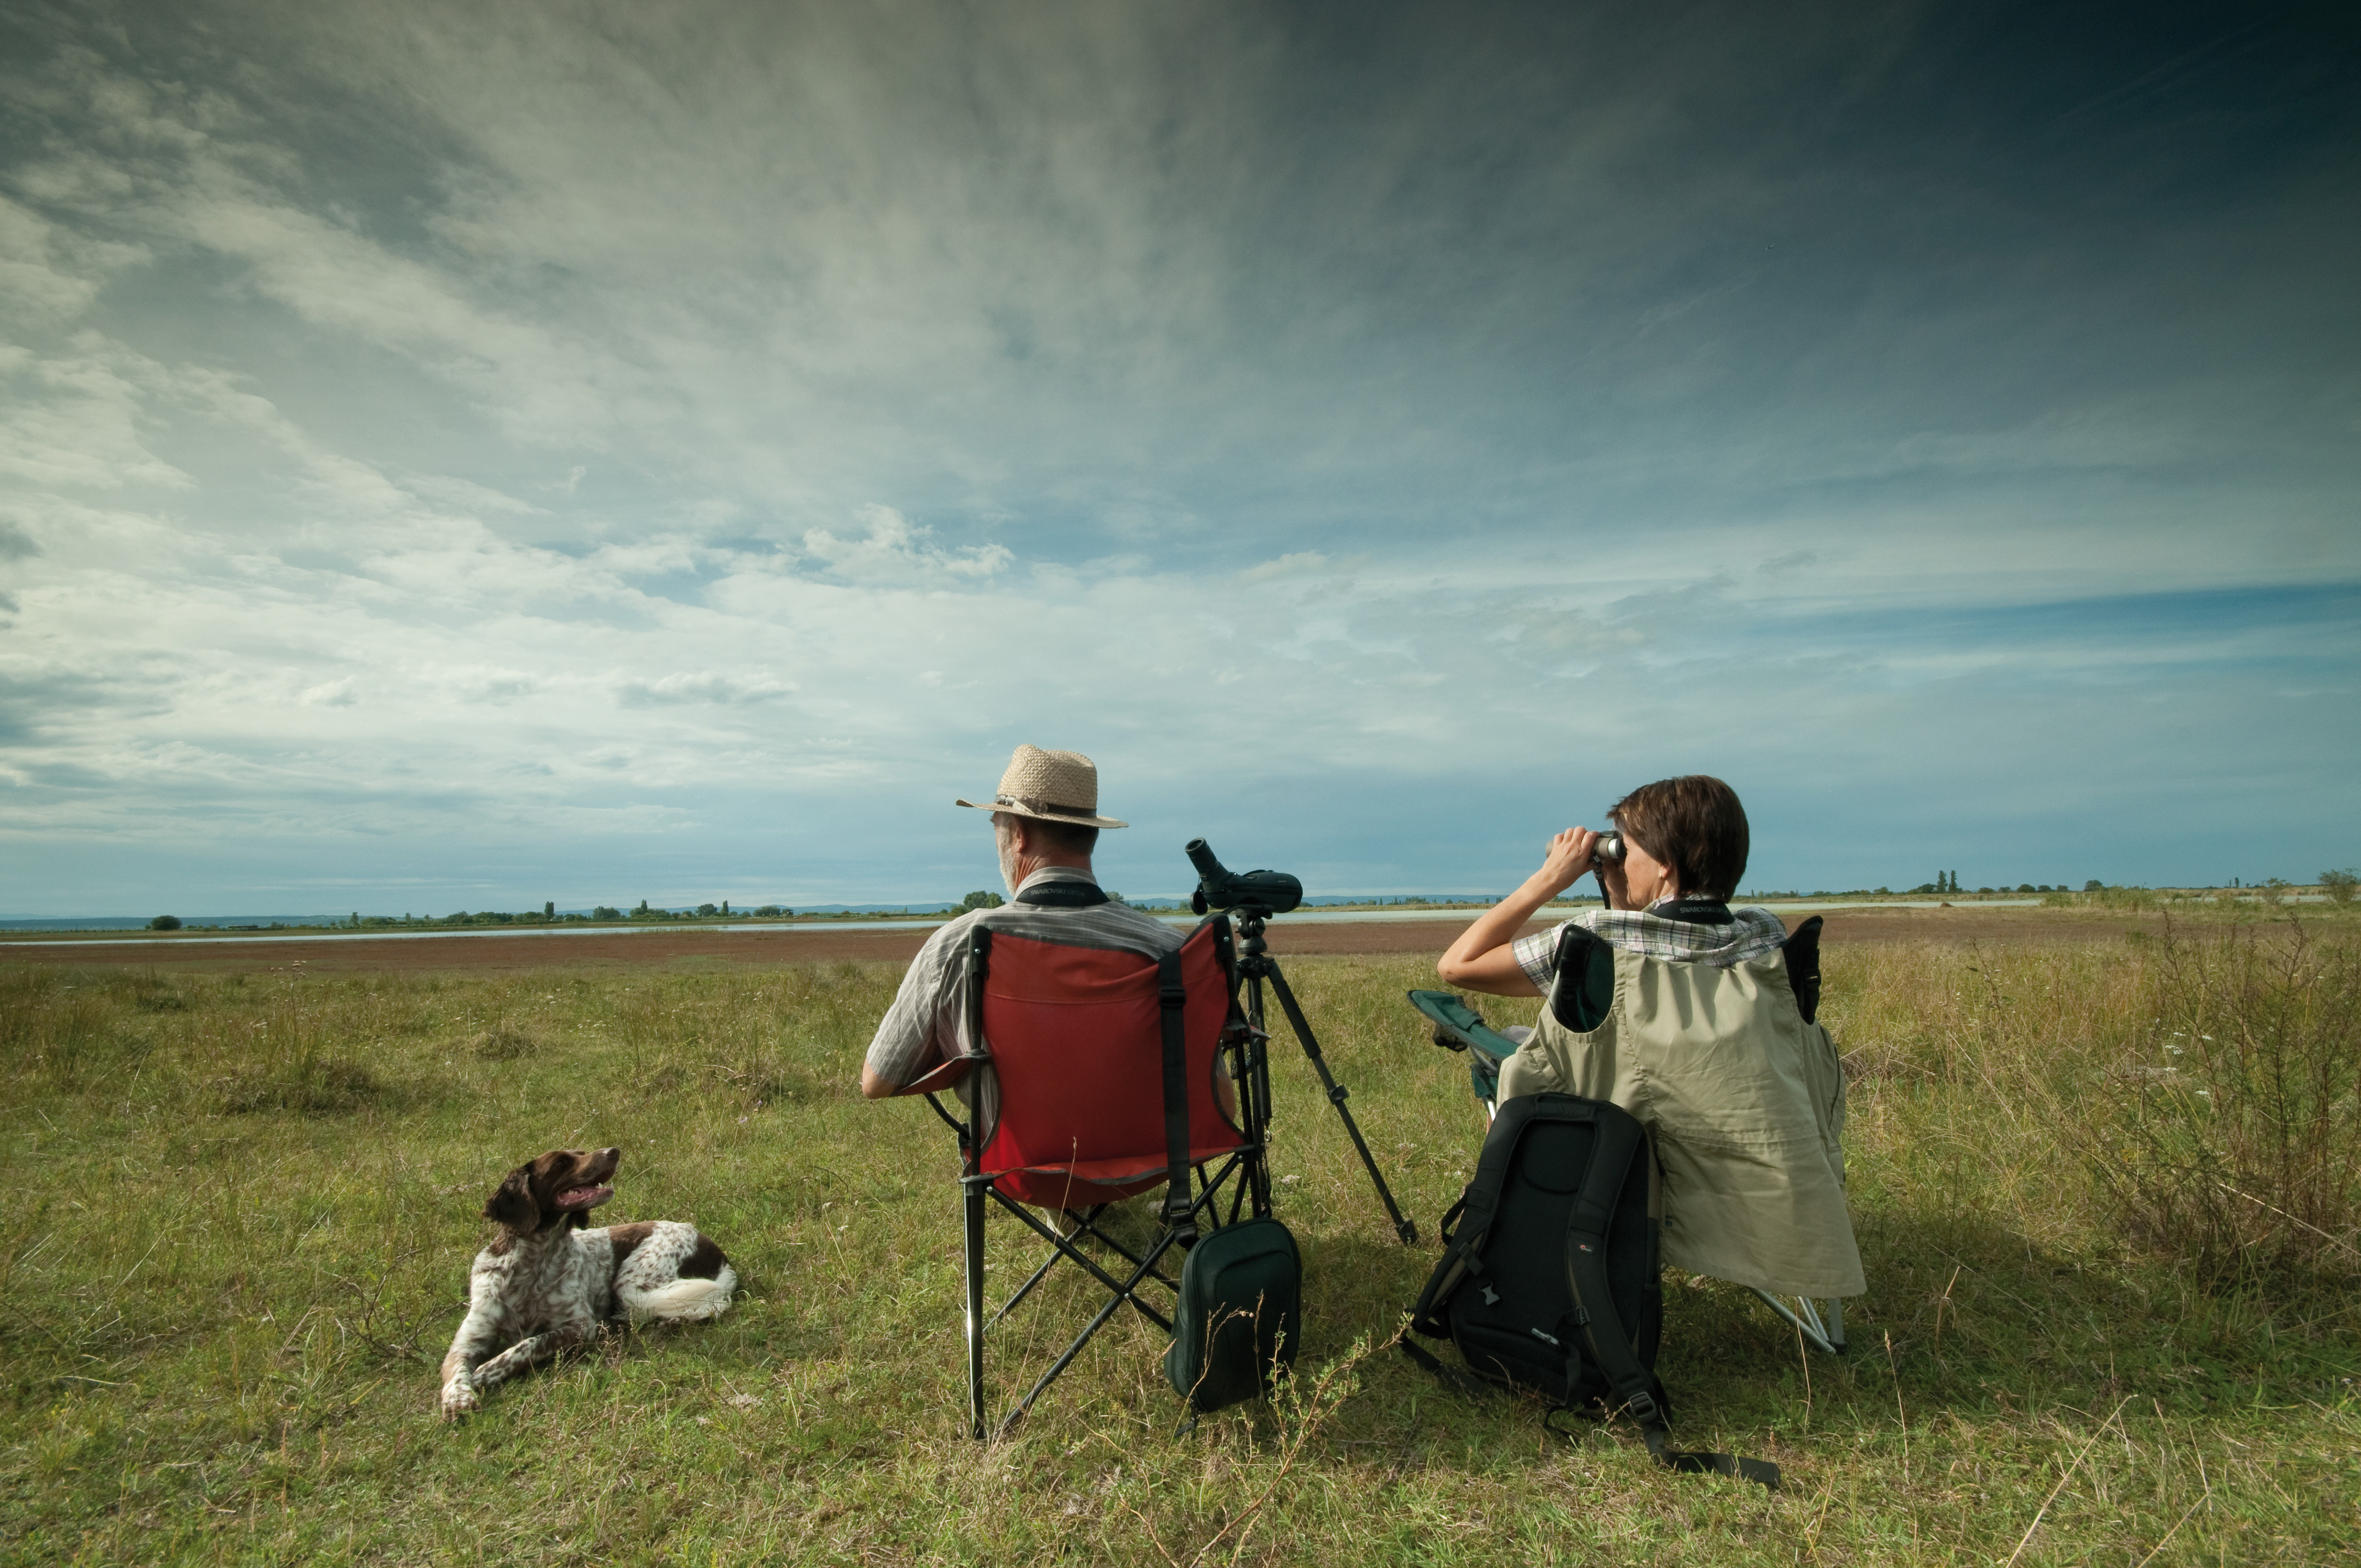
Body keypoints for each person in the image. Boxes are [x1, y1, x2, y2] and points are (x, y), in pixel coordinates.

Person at [1434, 774, 1864, 1301]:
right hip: (1746, 1172)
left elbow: (1458, 965)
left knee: (1516, 1042)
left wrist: (1550, 877)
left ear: (1664, 865)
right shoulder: (1766, 938)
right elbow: (1670, 945)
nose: (1619, 859)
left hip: (1612, 1168)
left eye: (1625, 849)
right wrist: (1625, 895)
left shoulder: (1596, 938)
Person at [859, 745, 1184, 1144]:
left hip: (1015, 1168)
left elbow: (878, 1081)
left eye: (996, 823)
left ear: (1019, 834)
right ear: (1092, 835)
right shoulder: (1170, 949)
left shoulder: (959, 944)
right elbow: (1221, 1096)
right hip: (1151, 1161)